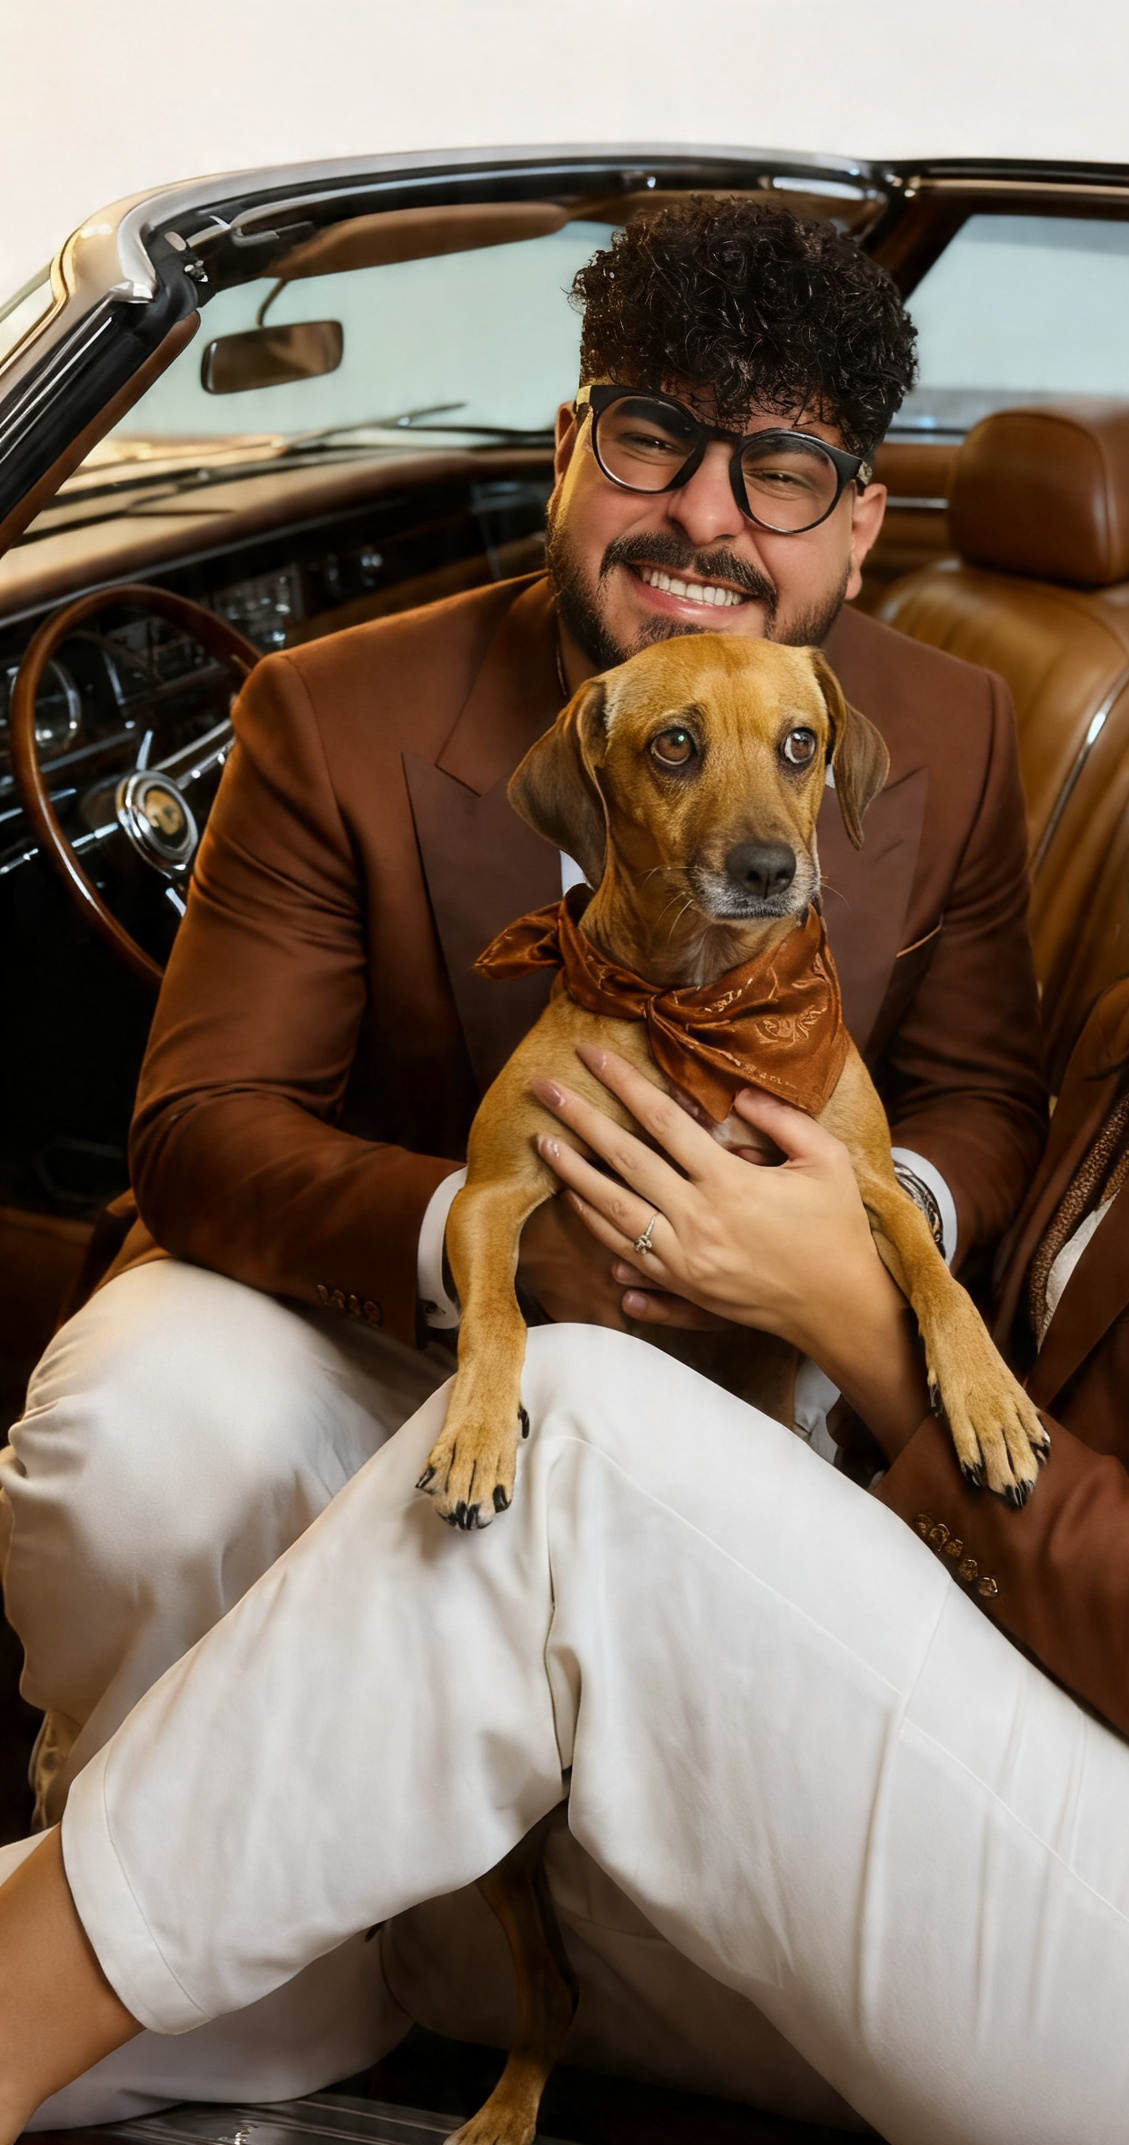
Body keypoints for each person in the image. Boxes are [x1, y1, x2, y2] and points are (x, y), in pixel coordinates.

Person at [0, 468, 1129, 2145]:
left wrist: (846, 1308)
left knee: (584, 1437)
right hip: (1096, 1784)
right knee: (352, 1842)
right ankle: (136, 2008)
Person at [0, 198, 1046, 1831]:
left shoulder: (954, 729)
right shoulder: (332, 713)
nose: (704, 518)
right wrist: (495, 1258)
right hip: (393, 1341)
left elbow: (989, 1093)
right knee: (145, 1423)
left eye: (779, 473)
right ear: (568, 450)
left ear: (861, 526)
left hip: (761, 1367)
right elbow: (200, 1133)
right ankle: (169, 1919)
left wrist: (846, 1239)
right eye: (652, 441)